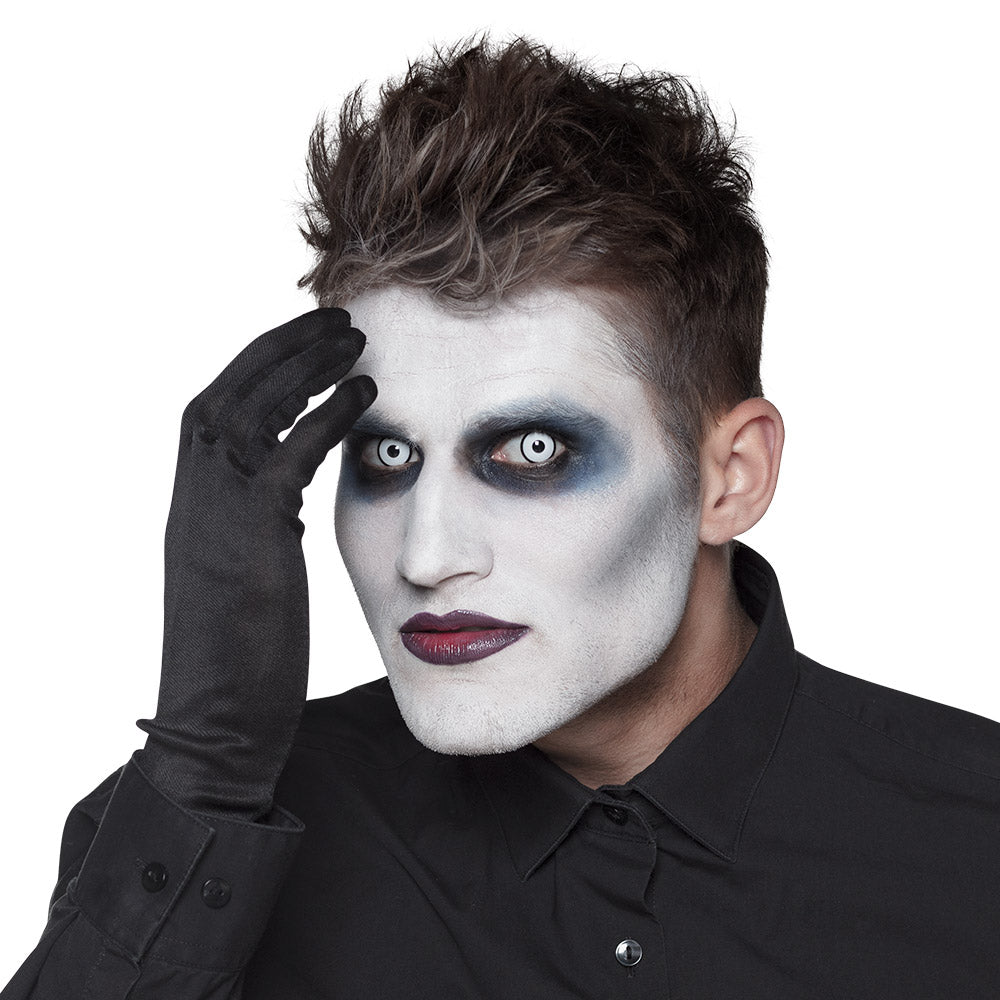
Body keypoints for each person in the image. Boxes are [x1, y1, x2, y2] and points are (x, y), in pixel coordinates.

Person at [4, 37, 999, 999]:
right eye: (386, 456)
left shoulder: (973, 842)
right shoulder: (194, 834)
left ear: (730, 477)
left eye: (530, 452)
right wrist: (205, 776)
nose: (426, 555)